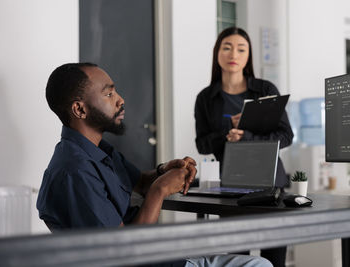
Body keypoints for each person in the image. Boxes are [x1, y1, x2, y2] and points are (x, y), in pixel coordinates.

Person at [37, 63, 272, 267]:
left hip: (160, 256)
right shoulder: (75, 171)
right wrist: (159, 189)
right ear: (80, 109)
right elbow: (125, 254)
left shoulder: (95, 151)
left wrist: (163, 170)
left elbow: (138, 181)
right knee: (258, 264)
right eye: (109, 94)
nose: (120, 99)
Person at [194, 27, 294, 267]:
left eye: (241, 49)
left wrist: (247, 136)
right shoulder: (206, 98)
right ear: (217, 53)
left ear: (248, 56)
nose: (233, 54)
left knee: (274, 258)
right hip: (231, 186)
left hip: (271, 184)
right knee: (237, 258)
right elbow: (202, 144)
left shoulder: (265, 90)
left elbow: (286, 136)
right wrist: (226, 134)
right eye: (226, 47)